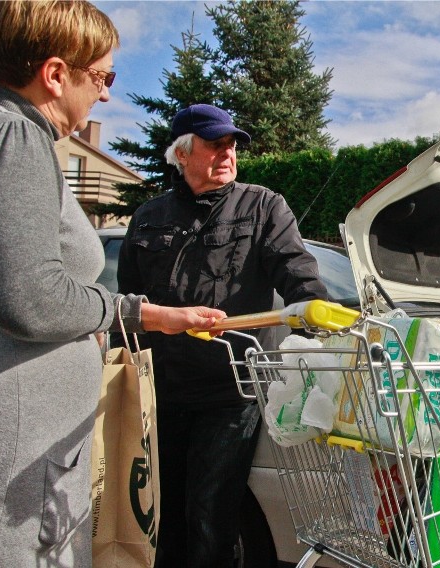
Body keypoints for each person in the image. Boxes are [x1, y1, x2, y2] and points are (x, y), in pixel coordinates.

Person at [0, 3, 225, 567]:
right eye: (103, 77)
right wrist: (144, 315)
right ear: (56, 74)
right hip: (13, 455)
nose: (106, 95)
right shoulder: (12, 135)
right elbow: (29, 298)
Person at [117, 103, 329, 567]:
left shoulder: (263, 206)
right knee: (163, 518)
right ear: (182, 154)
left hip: (230, 394)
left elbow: (297, 272)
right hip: (160, 393)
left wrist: (313, 307)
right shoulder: (149, 217)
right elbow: (129, 305)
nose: (228, 153)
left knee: (211, 518)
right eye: (215, 144)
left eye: (231, 144)